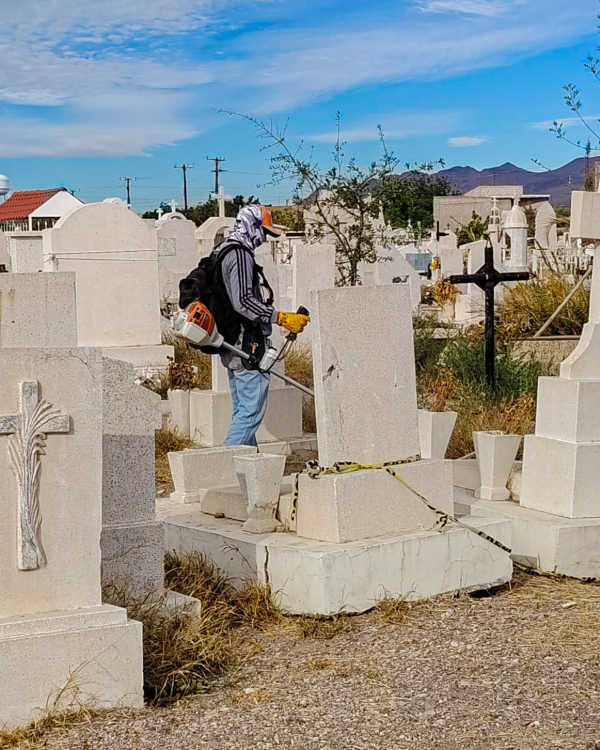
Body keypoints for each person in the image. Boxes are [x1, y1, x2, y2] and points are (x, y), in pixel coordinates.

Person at [214, 204, 309, 447]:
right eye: (263, 231)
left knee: (243, 412)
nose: (264, 238)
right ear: (252, 225)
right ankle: (223, 463)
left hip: (232, 342)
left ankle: (245, 465)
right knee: (250, 414)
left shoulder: (223, 250)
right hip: (246, 344)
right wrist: (281, 317)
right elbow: (244, 302)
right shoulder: (240, 255)